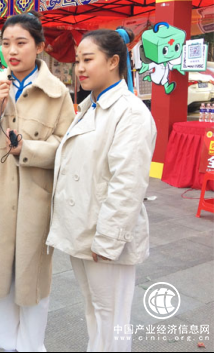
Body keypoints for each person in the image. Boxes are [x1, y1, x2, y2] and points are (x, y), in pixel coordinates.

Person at [0, 12, 75, 352]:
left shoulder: (58, 94)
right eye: (6, 43)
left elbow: (66, 147)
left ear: (39, 46)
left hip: (36, 198)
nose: (12, 50)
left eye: (21, 42)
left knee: (32, 276)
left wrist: (29, 150)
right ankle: (5, 344)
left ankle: (31, 345)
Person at [46, 28, 157, 352]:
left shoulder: (130, 113)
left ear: (113, 61)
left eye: (88, 59)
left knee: (111, 318)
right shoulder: (89, 106)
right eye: (78, 60)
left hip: (105, 237)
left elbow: (127, 184)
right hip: (84, 230)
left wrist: (108, 241)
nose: (79, 68)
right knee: (94, 310)